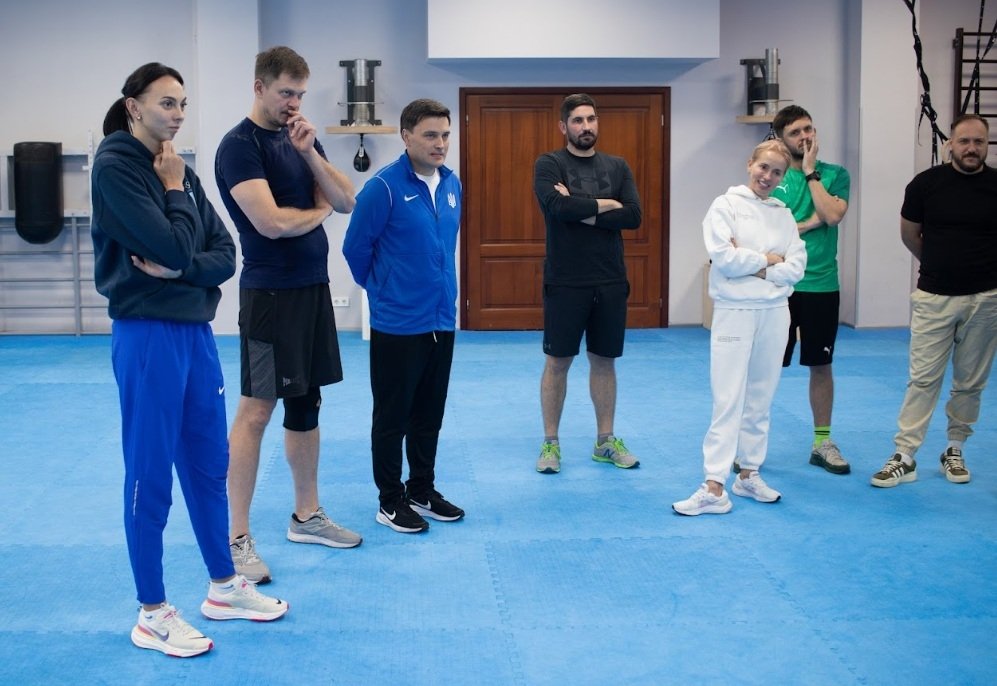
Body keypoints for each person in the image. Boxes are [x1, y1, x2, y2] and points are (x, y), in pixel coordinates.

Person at [92, 63, 288, 658]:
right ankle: (152, 612)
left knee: (207, 463)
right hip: (146, 335)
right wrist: (176, 199)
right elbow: (177, 244)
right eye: (166, 103)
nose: (178, 114)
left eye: (183, 103)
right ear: (134, 106)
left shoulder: (179, 165)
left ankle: (224, 586)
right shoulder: (117, 167)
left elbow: (225, 253)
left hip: (195, 335)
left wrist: (181, 265)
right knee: (150, 472)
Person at [215, 46, 359, 583]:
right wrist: (319, 209)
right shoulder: (239, 147)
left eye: (299, 93)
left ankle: (307, 516)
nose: (293, 103)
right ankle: (236, 537)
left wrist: (310, 155)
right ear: (259, 88)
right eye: (284, 93)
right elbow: (272, 224)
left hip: (312, 290)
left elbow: (346, 200)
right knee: (256, 411)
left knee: (307, 403)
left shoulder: (300, 137)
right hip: (268, 298)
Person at [343, 98, 465, 534]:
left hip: (441, 318)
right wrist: (384, 290)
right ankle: (390, 500)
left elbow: (443, 247)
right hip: (397, 323)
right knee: (392, 416)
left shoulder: (451, 184)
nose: (440, 143)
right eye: (430, 135)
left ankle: (421, 489)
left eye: (445, 135)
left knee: (430, 412)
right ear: (406, 136)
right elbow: (355, 249)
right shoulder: (384, 188)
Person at [673, 140, 807, 516]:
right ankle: (714, 485)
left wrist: (758, 267)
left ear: (783, 177)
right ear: (750, 164)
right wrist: (768, 260)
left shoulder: (783, 214)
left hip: (776, 312)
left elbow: (796, 267)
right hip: (734, 310)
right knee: (728, 398)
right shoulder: (725, 206)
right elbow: (725, 259)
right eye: (763, 167)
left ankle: (748, 473)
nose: (768, 177)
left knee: (761, 396)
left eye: (776, 172)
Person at [871, 113, 997, 487]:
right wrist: (940, 264)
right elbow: (910, 235)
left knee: (970, 383)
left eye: (979, 142)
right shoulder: (925, 185)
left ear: (986, 145)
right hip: (934, 297)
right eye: (964, 141)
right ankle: (905, 455)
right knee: (923, 379)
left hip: (986, 299)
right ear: (950, 144)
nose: (971, 148)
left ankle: (954, 449)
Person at [532, 93, 643, 475]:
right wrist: (608, 204)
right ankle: (551, 442)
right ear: (564, 126)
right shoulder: (549, 164)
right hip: (565, 280)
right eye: (578, 120)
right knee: (558, 362)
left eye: (591, 119)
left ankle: (605, 441)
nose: (586, 126)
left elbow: (634, 216)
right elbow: (558, 208)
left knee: (604, 360)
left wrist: (582, 207)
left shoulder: (618, 165)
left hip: (610, 278)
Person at [770, 105, 852, 475]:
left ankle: (822, 442)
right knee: (767, 367)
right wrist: (808, 223)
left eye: (808, 129)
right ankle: (751, 442)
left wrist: (810, 172)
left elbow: (832, 215)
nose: (805, 137)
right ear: (780, 139)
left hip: (822, 284)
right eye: (795, 132)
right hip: (780, 285)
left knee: (821, 364)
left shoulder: (835, 174)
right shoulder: (773, 177)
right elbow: (769, 233)